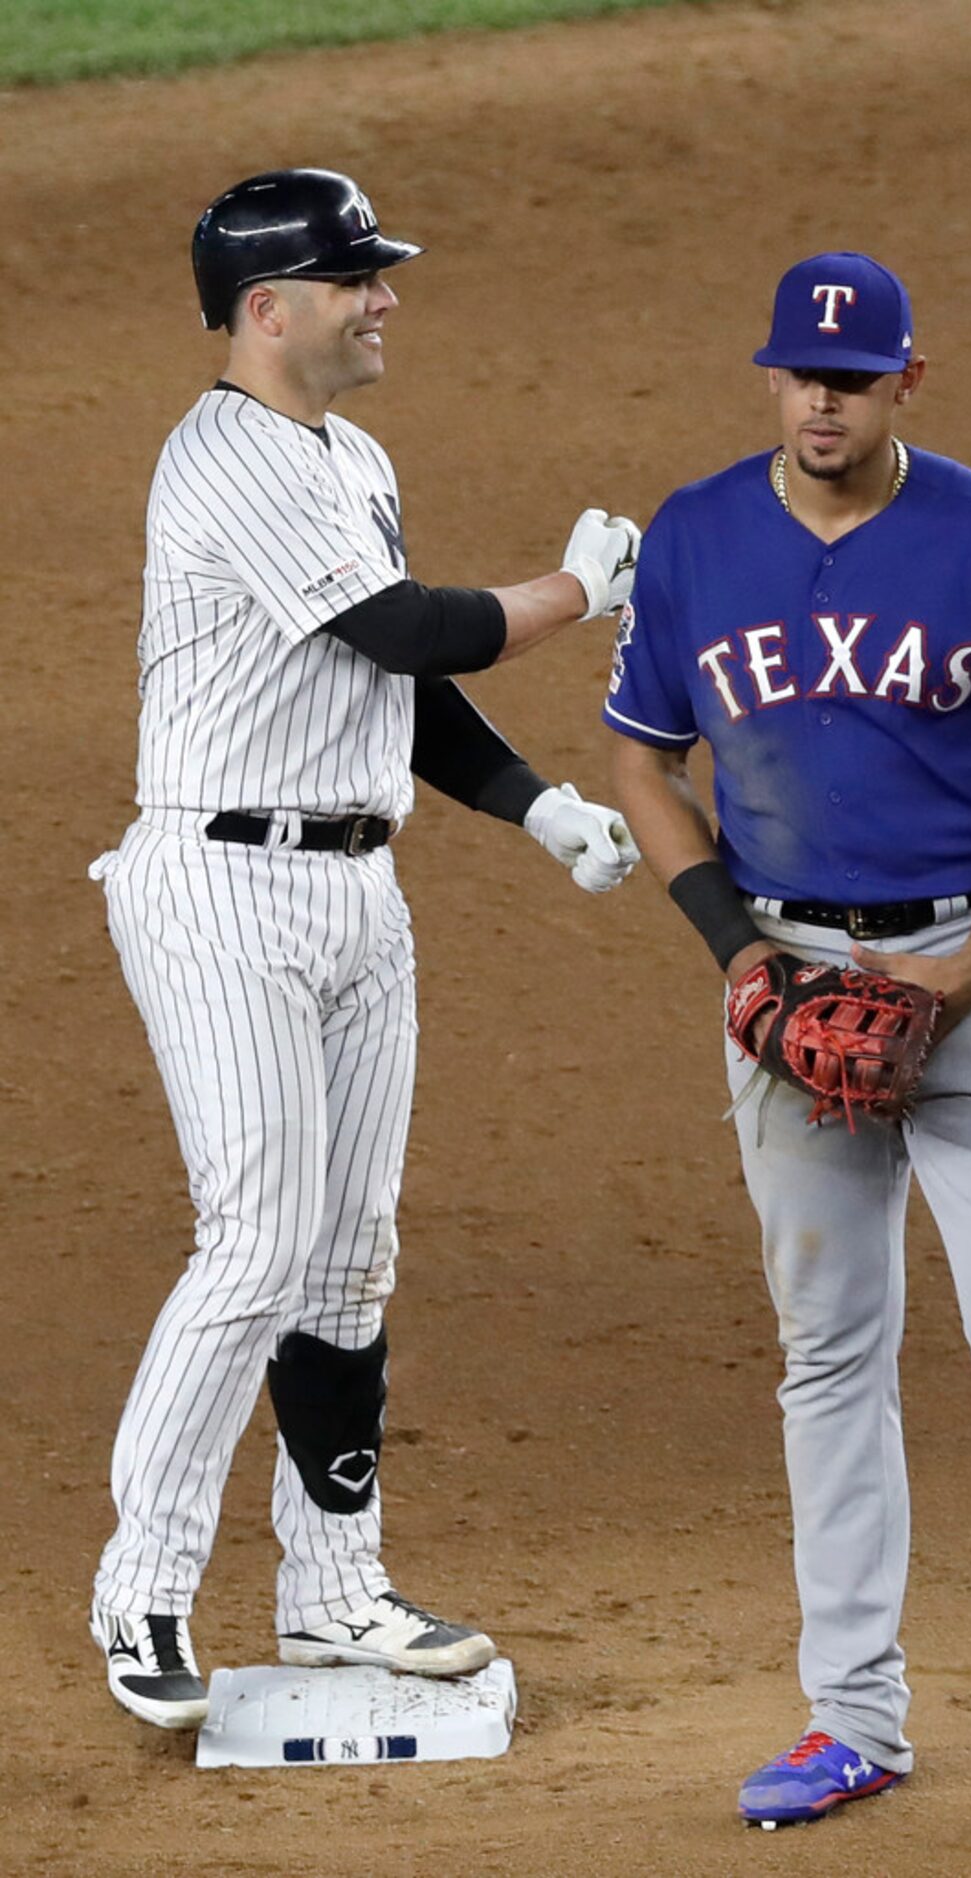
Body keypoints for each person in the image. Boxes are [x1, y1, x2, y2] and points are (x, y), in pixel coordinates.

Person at [604, 253, 971, 1838]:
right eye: (801, 375)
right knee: (827, 1354)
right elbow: (641, 753)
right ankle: (850, 1715)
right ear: (772, 380)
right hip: (790, 978)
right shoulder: (693, 538)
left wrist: (968, 968)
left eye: (853, 378)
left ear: (902, 384)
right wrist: (739, 957)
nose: (821, 400)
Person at [88, 167, 642, 1732]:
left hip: (351, 890)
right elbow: (416, 630)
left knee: (347, 1254)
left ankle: (335, 1591)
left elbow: (393, 685)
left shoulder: (351, 454)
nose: (385, 296)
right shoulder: (225, 458)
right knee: (257, 1238)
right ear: (270, 310)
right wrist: (576, 591)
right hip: (219, 889)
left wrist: (536, 809)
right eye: (356, 278)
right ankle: (142, 1585)